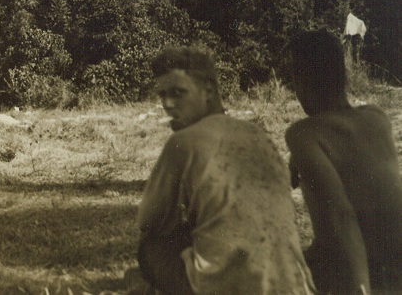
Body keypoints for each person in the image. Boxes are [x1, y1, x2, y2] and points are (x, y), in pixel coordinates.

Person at [132, 46, 314, 294]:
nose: (167, 104)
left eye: (177, 93)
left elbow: (149, 221)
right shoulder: (258, 134)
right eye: (162, 95)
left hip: (227, 288)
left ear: (208, 92)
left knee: (151, 246)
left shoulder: (183, 142)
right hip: (292, 284)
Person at [286, 29, 402, 294]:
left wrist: (361, 288)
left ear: (301, 81)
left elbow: (341, 215)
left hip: (362, 269)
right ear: (342, 75)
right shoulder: (377, 117)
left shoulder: (303, 134)